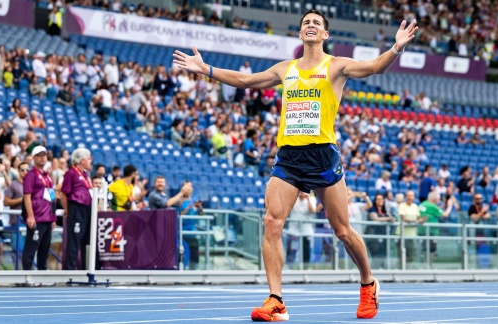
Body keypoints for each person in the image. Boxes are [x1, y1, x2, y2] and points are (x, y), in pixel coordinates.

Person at [174, 9, 418, 320]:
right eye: (306, 23)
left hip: (322, 156)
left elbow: (375, 67)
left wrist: (396, 48)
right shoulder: (285, 69)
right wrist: (206, 69)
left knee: (342, 230)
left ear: (325, 34)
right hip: (288, 158)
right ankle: (276, 300)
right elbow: (246, 80)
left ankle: (368, 284)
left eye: (317, 22)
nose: (311, 25)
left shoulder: (337, 65)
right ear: (300, 34)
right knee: (272, 223)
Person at [22, 146, 56, 270]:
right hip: (37, 218)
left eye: (44, 155)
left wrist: (53, 217)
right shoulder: (30, 175)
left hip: (47, 218)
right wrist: (30, 216)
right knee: (31, 248)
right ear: (34, 157)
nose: (42, 157)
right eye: (39, 155)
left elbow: (52, 197)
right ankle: (26, 277)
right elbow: (27, 197)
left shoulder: (47, 176)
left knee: (44, 250)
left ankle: (43, 276)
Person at [59, 148, 93, 270]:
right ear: (82, 160)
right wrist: (67, 209)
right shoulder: (71, 173)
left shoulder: (85, 174)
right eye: (89, 158)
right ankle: (69, 269)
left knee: (87, 239)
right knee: (74, 239)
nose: (90, 161)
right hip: (77, 209)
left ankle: (87, 268)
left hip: (88, 210)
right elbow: (63, 194)